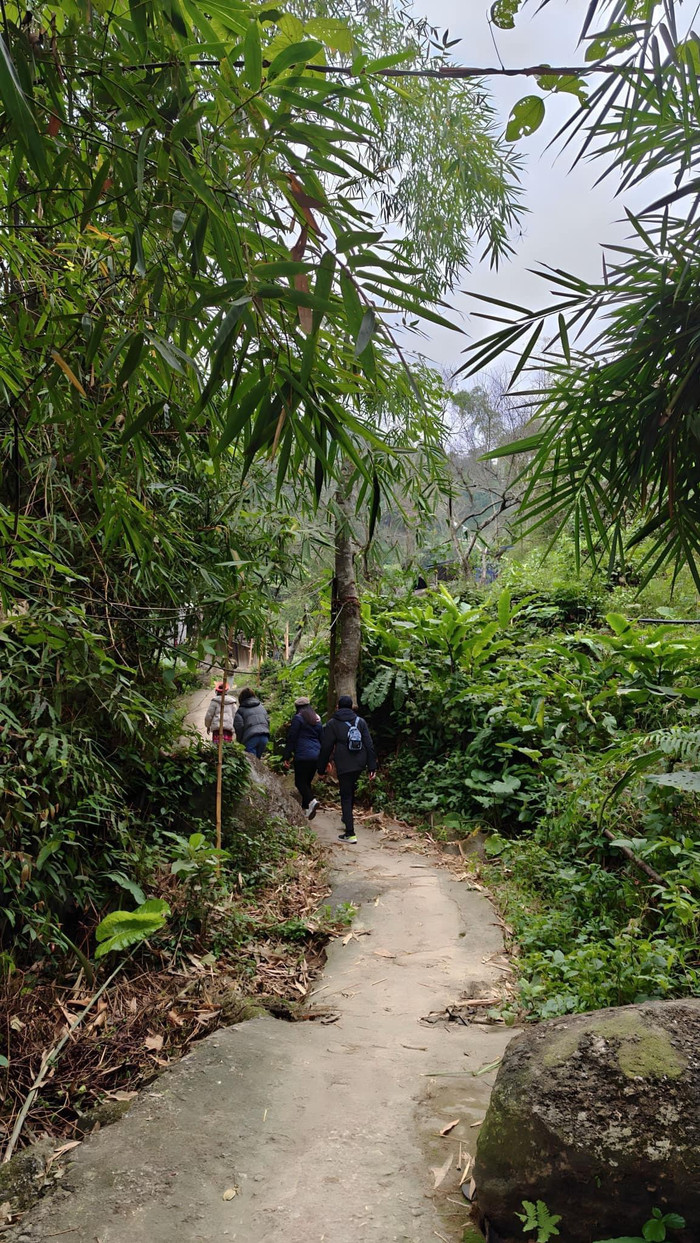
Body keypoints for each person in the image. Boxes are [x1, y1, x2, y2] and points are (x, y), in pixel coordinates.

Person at [318, 694, 376, 843]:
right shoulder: (360, 722)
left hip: (344, 763)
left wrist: (322, 768)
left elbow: (326, 747)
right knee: (350, 791)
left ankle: (350, 833)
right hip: (359, 762)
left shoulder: (332, 723)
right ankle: (346, 817)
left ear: (338, 707)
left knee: (345, 795)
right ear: (351, 707)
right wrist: (372, 767)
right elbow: (369, 745)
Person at [284, 696, 323, 819]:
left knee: (299, 782)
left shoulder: (298, 718)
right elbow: (322, 738)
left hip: (303, 755)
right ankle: (306, 809)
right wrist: (325, 757)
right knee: (307, 782)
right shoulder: (317, 719)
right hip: (316, 755)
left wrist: (286, 756)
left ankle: (311, 801)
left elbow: (292, 737)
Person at [233, 687, 270, 757]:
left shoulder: (240, 711)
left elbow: (239, 727)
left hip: (250, 738)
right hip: (264, 736)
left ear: (241, 698)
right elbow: (268, 720)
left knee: (251, 762)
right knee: (257, 760)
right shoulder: (261, 707)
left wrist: (240, 741)